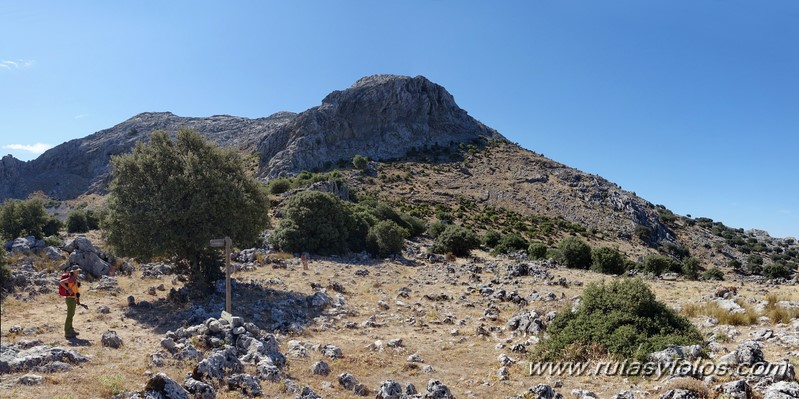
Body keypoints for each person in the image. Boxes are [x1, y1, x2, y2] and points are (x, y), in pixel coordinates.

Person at [59, 267, 82, 338]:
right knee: (69, 316)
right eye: (77, 271)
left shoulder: (74, 279)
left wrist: (77, 299)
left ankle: (71, 330)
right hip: (70, 299)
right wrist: (68, 289)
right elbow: (61, 282)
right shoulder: (71, 279)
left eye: (78, 271)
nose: (78, 272)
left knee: (71, 315)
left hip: (73, 299)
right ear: (73, 272)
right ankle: (67, 332)